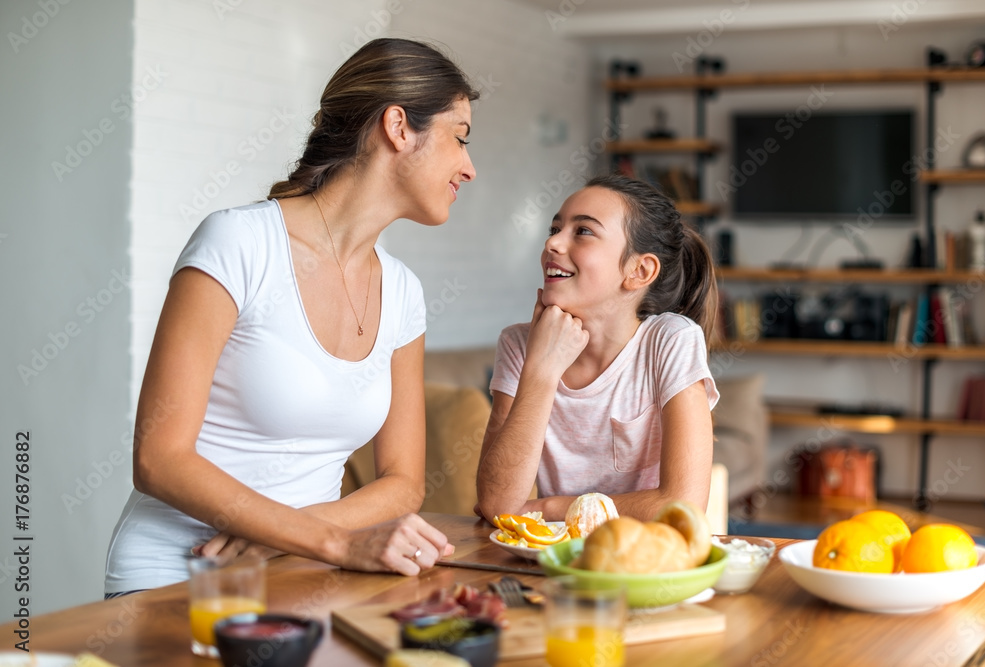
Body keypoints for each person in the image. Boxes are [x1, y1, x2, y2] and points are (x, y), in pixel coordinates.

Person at [104, 38, 478, 596]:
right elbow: (158, 457)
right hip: (177, 575)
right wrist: (333, 542)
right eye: (460, 138)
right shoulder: (239, 242)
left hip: (298, 576)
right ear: (399, 128)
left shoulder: (403, 292)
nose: (469, 168)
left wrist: (291, 536)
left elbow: (402, 484)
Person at [476, 174, 719, 522]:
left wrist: (548, 507)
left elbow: (684, 507)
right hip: (551, 562)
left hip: (641, 559)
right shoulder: (518, 345)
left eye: (583, 231)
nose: (553, 244)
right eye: (554, 229)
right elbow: (497, 503)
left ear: (639, 270)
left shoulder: (670, 342)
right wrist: (541, 371)